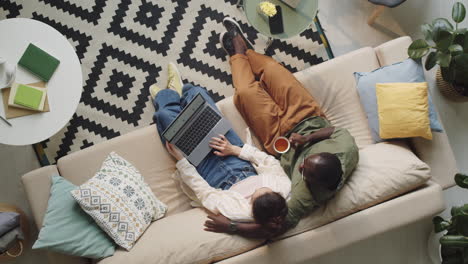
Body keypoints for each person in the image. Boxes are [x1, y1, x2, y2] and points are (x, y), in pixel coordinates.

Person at [203, 18, 359, 237]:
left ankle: (237, 54)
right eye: (306, 163)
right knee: (272, 69)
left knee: (246, 93)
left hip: (278, 138)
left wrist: (231, 227)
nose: (301, 167)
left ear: (316, 184)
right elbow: (337, 132)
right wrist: (308, 139)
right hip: (306, 115)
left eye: (305, 171)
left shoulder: (307, 197)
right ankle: (247, 50)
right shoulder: (347, 151)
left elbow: (275, 229)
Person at [151, 62, 291, 234]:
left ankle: (167, 96)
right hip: (236, 155)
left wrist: (182, 161)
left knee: (165, 118)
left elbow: (204, 192)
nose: (256, 189)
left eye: (254, 194)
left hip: (209, 172)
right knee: (198, 94)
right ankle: (177, 93)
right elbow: (268, 161)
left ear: (251, 207)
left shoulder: (237, 212)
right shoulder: (283, 188)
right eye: (263, 189)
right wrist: (233, 150)